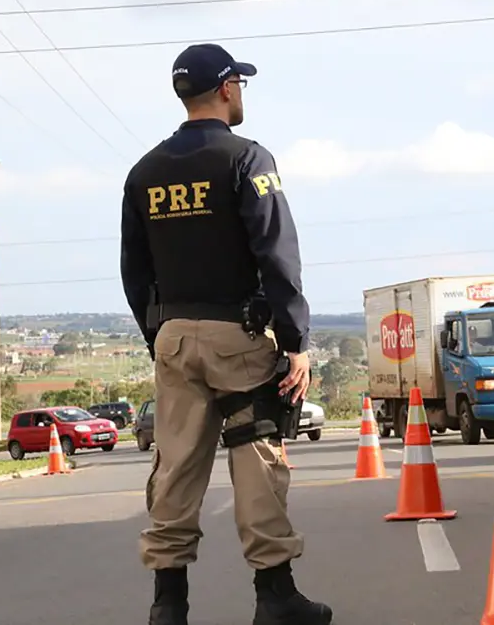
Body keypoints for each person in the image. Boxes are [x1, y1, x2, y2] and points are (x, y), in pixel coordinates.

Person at [119, 42, 333, 625]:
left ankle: (168, 605)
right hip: (237, 336)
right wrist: (295, 341)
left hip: (173, 338)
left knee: (175, 466)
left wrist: (160, 336)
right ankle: (276, 596)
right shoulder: (247, 159)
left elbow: (134, 270)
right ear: (227, 87)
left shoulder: (144, 173)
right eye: (240, 83)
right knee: (256, 458)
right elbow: (277, 253)